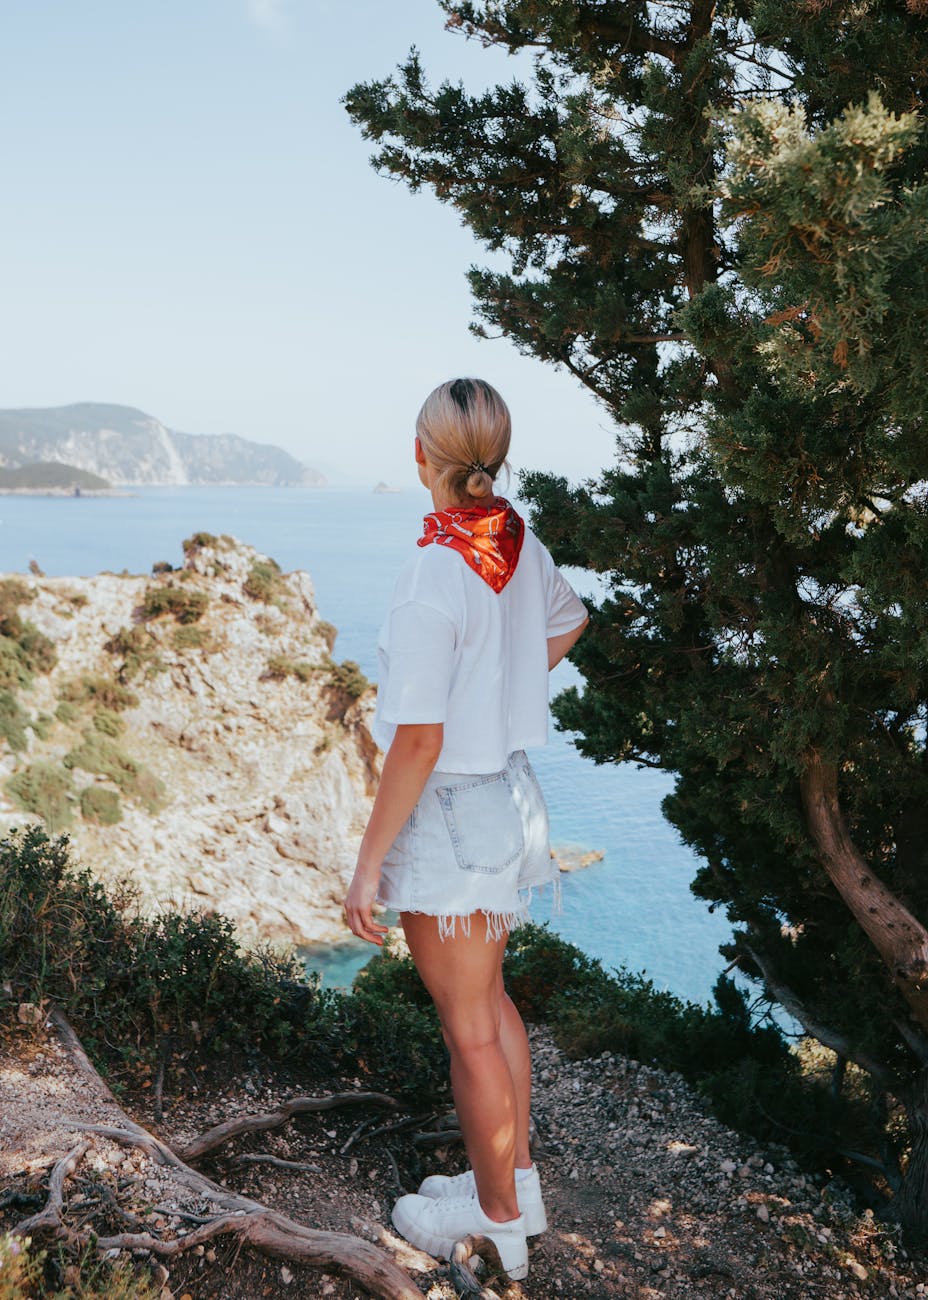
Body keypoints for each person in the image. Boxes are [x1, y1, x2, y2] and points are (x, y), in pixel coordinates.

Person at [343, 377, 588, 1282]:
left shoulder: (430, 573)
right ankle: (515, 1185)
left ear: (422, 457)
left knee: (470, 1030)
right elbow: (571, 621)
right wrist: (507, 683)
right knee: (493, 1010)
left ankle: (497, 1227)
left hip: (448, 813)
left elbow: (417, 738)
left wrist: (369, 865)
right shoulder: (516, 543)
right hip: (507, 800)